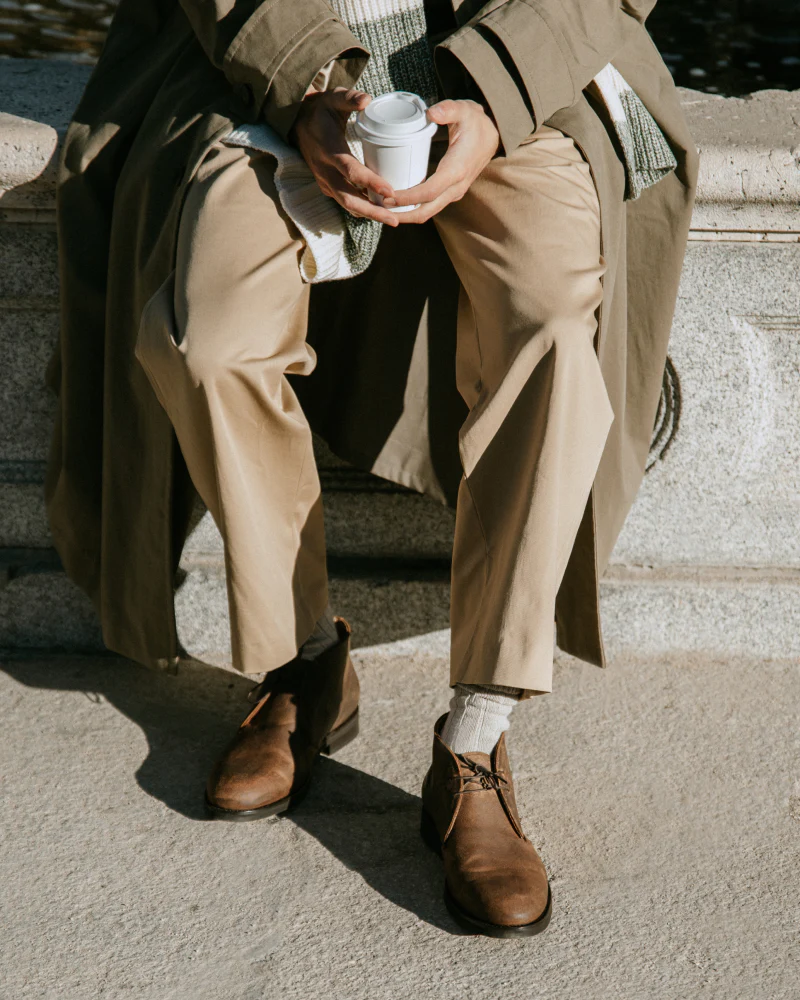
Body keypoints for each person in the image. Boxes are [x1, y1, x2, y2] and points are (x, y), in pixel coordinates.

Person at [47, 0, 697, 937]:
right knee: (206, 339)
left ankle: (475, 741)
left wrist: (492, 90)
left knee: (555, 330)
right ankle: (309, 664)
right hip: (277, 55)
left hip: (520, 55)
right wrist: (306, 79)